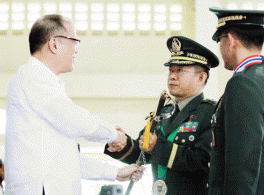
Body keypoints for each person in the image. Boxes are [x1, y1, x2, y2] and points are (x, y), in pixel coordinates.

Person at [5, 14, 143, 195]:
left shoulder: (45, 85)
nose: (76, 50)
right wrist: (113, 136)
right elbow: (74, 120)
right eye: (74, 41)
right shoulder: (32, 77)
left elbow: (64, 159)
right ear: (54, 44)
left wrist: (115, 173)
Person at [104, 36, 219, 195]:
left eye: (180, 70)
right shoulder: (162, 113)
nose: (172, 76)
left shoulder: (210, 113)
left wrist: (158, 147)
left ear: (201, 77)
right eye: (171, 70)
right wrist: (123, 144)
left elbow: (203, 162)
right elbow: (143, 155)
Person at [207, 8, 264, 195]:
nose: (220, 47)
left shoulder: (242, 83)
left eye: (220, 40)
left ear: (231, 41)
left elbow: (242, 165)